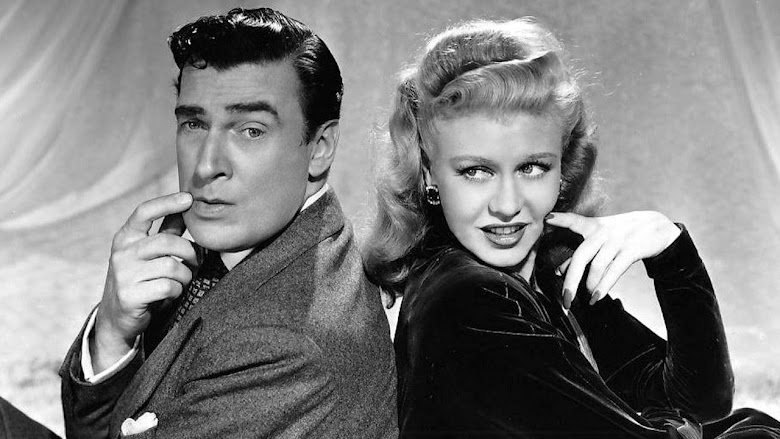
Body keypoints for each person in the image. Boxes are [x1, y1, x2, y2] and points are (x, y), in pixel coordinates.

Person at [364, 17, 780, 438]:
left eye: (532, 167)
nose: (507, 206)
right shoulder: (468, 300)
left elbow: (699, 402)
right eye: (475, 171)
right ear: (429, 173)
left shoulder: (543, 270)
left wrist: (670, 252)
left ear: (562, 166)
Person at [58, 7, 397, 439]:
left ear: (320, 148)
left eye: (251, 130)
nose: (206, 166)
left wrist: (114, 337)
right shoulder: (258, 237)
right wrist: (112, 330)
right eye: (194, 123)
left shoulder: (282, 348)